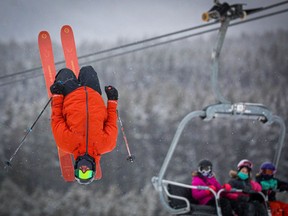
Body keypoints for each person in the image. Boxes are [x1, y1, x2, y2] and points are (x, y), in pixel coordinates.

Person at [50, 65, 118, 184]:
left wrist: (57, 96)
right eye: (87, 172)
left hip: (70, 96)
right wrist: (112, 100)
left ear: (76, 169)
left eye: (81, 172)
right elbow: (111, 122)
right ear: (93, 169)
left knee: (65, 72)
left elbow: (57, 119)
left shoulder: (66, 144)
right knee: (88, 70)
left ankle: (67, 78)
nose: (84, 169)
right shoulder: (106, 145)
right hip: (94, 94)